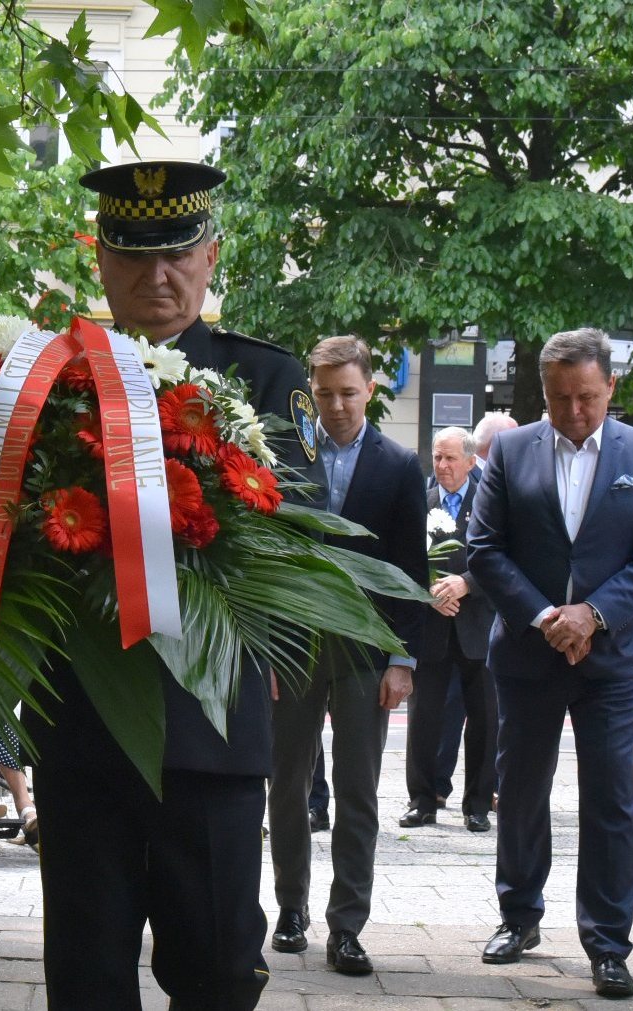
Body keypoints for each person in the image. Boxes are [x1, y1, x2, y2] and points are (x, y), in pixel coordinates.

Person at [29, 160, 319, 1010]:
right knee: (87, 974)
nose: (157, 276)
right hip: (82, 717)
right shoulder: (44, 382)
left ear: (211, 256)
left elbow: (298, 533)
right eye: (133, 255)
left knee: (223, 968)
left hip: (210, 721)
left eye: (177, 255)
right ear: (100, 261)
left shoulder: (265, 378)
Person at [465, 327, 633, 1000]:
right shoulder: (512, 450)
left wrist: (592, 614)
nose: (575, 412)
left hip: (612, 659)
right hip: (530, 651)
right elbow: (484, 547)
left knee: (611, 798)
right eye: (560, 399)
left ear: (610, 387)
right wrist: (546, 617)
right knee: (522, 788)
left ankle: (609, 942)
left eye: (587, 397)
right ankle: (518, 915)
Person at [267, 336, 428, 975]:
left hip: (367, 648)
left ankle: (347, 927)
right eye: (326, 393)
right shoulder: (285, 458)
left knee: (358, 792)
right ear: (312, 390)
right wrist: (270, 650)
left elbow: (410, 567)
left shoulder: (398, 465)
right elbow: (270, 560)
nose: (337, 406)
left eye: (349, 393)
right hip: (297, 645)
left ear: (369, 391)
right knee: (286, 785)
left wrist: (403, 658)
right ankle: (289, 910)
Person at [405, 425, 498, 834]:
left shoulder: (491, 501)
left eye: (450, 459)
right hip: (433, 627)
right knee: (424, 718)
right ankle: (422, 800)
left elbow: (501, 557)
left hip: (479, 625)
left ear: (471, 460)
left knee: (484, 719)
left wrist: (466, 584)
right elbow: (403, 556)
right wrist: (428, 591)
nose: (442, 466)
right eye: (437, 458)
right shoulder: (419, 502)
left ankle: (477, 805)